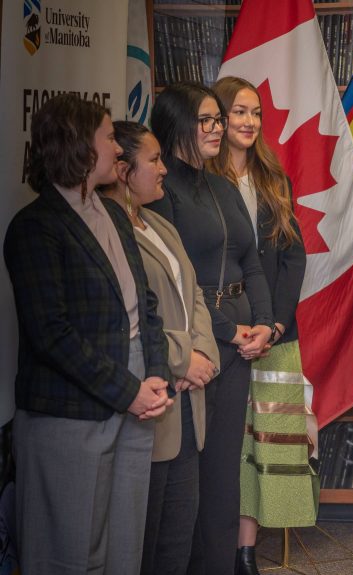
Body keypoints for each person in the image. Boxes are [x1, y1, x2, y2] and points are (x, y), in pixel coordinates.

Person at [4, 94, 172, 574]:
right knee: (73, 555)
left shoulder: (115, 214)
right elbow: (50, 334)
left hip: (140, 398)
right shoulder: (34, 228)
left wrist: (156, 374)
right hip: (72, 415)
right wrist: (129, 391)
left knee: (123, 551)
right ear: (78, 146)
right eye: (106, 137)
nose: (117, 150)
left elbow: (146, 304)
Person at [148, 81, 275, 575]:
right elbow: (179, 281)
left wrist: (264, 324)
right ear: (177, 124)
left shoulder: (222, 186)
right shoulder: (161, 192)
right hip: (200, 347)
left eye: (218, 120)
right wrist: (229, 332)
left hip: (242, 345)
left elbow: (252, 262)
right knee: (189, 485)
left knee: (224, 480)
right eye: (207, 120)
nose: (218, 128)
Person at [100, 121, 221, 575]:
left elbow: (195, 296)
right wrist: (180, 358)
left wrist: (204, 355)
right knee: (144, 542)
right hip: (153, 397)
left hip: (189, 400)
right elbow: (131, 318)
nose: (164, 168)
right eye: (153, 160)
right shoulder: (110, 232)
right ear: (124, 171)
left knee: (178, 535)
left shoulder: (159, 225)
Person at [210, 76, 317, 575]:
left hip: (273, 335)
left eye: (255, 113)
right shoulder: (200, 182)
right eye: (239, 112)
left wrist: (273, 325)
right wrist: (241, 328)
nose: (250, 121)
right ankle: (218, 545)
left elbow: (293, 260)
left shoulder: (275, 178)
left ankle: (247, 552)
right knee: (228, 445)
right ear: (215, 119)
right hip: (224, 336)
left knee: (265, 446)